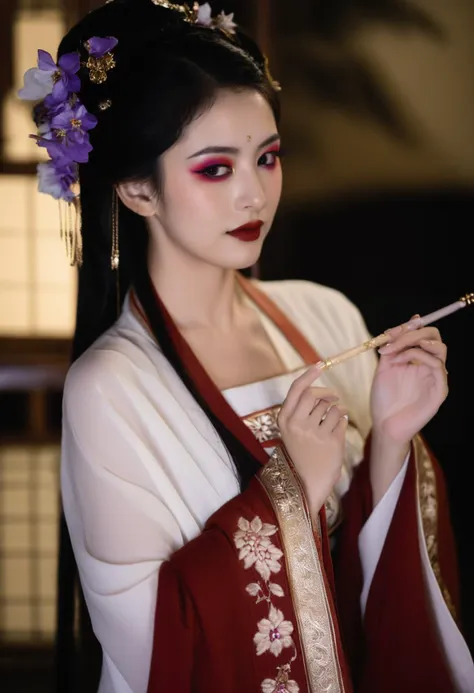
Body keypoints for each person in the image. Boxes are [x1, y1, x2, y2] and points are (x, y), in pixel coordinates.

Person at [18, 1, 474, 692]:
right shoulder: (110, 387)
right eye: (214, 169)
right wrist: (293, 485)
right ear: (138, 188)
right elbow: (155, 650)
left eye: (267, 158)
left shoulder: (326, 314)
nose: (255, 195)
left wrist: (393, 439)